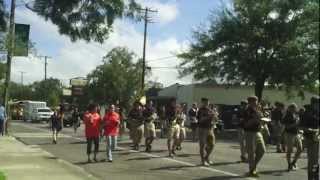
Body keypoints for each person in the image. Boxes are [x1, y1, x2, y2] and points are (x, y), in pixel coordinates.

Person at [243, 96, 266, 177]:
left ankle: (253, 167)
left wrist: (262, 118)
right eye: (255, 101)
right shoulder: (247, 111)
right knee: (251, 152)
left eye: (256, 101)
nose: (257, 103)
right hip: (249, 132)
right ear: (250, 102)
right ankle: (252, 170)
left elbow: (260, 118)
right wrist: (255, 119)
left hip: (258, 132)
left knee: (262, 150)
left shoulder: (257, 110)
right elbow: (246, 124)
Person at [301, 97, 319, 180]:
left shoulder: (317, 112)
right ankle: (311, 177)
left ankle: (316, 176)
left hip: (316, 138)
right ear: (313, 104)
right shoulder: (306, 113)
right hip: (309, 138)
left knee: (315, 160)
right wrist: (312, 130)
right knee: (312, 160)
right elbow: (301, 127)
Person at [197, 98, 218, 166]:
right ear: (202, 102)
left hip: (210, 128)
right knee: (202, 145)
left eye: (208, 102)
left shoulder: (210, 110)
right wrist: (209, 116)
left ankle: (206, 157)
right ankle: (203, 161)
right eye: (205, 102)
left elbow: (215, 119)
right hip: (202, 129)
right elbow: (200, 120)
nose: (207, 103)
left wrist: (215, 116)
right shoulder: (201, 110)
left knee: (212, 144)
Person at [282, 103, 303, 171]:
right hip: (289, 134)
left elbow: (297, 123)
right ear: (290, 108)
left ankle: (293, 162)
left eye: (295, 108)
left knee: (300, 148)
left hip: (296, 133)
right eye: (293, 108)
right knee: (290, 150)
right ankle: (289, 164)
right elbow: (287, 126)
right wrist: (295, 124)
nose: (294, 109)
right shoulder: (287, 115)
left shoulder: (295, 115)